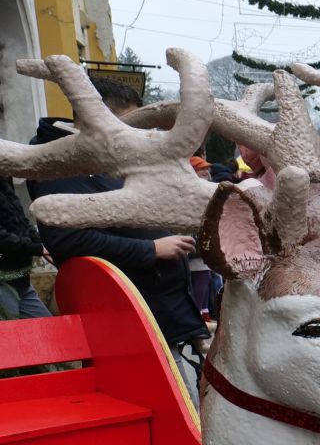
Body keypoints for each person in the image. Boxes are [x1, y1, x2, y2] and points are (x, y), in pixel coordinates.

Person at [27, 78, 209, 401]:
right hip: (131, 333)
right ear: (96, 117)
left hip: (162, 321)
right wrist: (151, 248)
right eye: (131, 123)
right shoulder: (57, 165)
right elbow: (69, 241)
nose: (139, 133)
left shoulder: (112, 160)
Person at [1, 175, 48, 319]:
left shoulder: (4, 180)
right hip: (3, 280)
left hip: (21, 278)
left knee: (47, 326)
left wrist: (39, 243)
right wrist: (36, 248)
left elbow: (21, 219)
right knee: (9, 333)